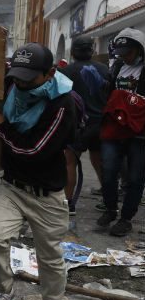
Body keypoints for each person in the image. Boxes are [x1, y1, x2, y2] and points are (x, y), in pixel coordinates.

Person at [0, 43, 78, 300]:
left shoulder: (63, 104)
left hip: (46, 194)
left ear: (50, 73)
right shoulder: (14, 84)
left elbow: (35, 150)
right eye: (17, 76)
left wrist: (2, 128)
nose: (20, 83)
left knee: (49, 256)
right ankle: (4, 290)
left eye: (28, 78)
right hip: (12, 187)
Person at [96, 28, 145, 236]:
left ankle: (125, 219)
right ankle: (110, 209)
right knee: (108, 171)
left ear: (139, 49)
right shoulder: (117, 66)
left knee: (135, 177)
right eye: (122, 52)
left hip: (139, 133)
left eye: (129, 52)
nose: (125, 56)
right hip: (115, 128)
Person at [58, 35, 111, 215]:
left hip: (77, 124)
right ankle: (108, 201)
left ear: (73, 52)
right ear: (93, 51)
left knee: (69, 161)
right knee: (99, 161)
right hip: (100, 123)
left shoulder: (66, 72)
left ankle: (68, 202)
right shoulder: (105, 70)